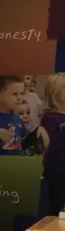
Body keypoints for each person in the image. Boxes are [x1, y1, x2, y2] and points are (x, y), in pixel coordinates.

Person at [42, 73, 65, 215]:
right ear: (56, 93)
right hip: (58, 170)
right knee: (57, 206)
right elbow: (51, 145)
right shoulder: (50, 118)